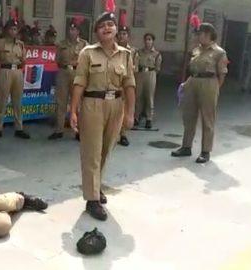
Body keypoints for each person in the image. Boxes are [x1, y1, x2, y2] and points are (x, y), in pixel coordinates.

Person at [69, 10, 136, 221]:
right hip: (92, 104)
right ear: (97, 32)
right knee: (92, 151)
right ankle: (92, 199)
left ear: (116, 29)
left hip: (115, 104)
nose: (107, 28)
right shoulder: (87, 53)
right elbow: (79, 82)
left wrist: (130, 113)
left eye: (110, 24)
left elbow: (129, 85)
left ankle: (96, 188)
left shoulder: (125, 55)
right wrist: (73, 110)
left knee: (106, 149)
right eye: (102, 26)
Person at [171, 22, 228, 164]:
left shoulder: (219, 52)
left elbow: (222, 74)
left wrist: (215, 88)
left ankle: (205, 151)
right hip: (193, 80)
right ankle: (186, 146)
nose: (198, 37)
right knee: (189, 116)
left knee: (207, 118)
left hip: (209, 82)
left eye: (200, 34)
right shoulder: (196, 50)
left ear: (209, 35)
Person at [0, 14, 30, 140]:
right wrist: (1, 71)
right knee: (2, 101)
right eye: (11, 29)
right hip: (5, 71)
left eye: (15, 29)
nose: (13, 31)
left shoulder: (21, 44)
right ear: (6, 30)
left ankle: (19, 128)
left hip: (17, 72)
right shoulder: (1, 43)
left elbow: (23, 61)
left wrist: (17, 69)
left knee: (17, 102)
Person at [48, 17, 88, 140]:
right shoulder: (61, 44)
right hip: (64, 72)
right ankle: (59, 129)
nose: (72, 31)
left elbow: (87, 60)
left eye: (74, 29)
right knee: (61, 102)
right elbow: (57, 60)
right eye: (70, 29)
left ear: (78, 31)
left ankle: (79, 131)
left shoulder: (84, 45)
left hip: (78, 74)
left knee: (78, 103)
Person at [134, 33, 162, 129]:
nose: (147, 41)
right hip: (140, 74)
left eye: (150, 39)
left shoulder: (156, 54)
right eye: (146, 39)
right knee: (138, 96)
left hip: (151, 73)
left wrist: (152, 73)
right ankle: (136, 117)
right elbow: (136, 64)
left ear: (153, 41)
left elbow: (158, 68)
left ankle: (149, 118)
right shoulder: (139, 52)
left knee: (149, 96)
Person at [115, 16, 136, 147]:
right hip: (115, 83)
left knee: (124, 109)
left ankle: (123, 134)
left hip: (126, 83)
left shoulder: (132, 51)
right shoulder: (113, 49)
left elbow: (135, 71)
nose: (122, 36)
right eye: (120, 34)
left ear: (128, 36)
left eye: (124, 34)